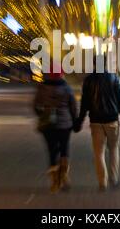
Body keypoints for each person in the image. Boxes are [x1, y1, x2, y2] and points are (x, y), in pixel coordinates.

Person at [74, 55, 120, 191]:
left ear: (93, 64)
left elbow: (84, 104)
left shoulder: (88, 81)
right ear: (105, 63)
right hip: (112, 120)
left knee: (99, 153)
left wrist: (79, 121)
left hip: (96, 121)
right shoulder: (113, 78)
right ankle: (114, 179)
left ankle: (102, 182)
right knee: (114, 149)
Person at [34, 65, 77, 194]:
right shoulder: (67, 88)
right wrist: (75, 122)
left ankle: (55, 182)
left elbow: (36, 105)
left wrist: (42, 115)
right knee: (64, 149)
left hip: (48, 125)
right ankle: (64, 177)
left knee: (52, 151)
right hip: (65, 125)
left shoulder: (42, 88)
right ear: (62, 74)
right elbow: (73, 107)